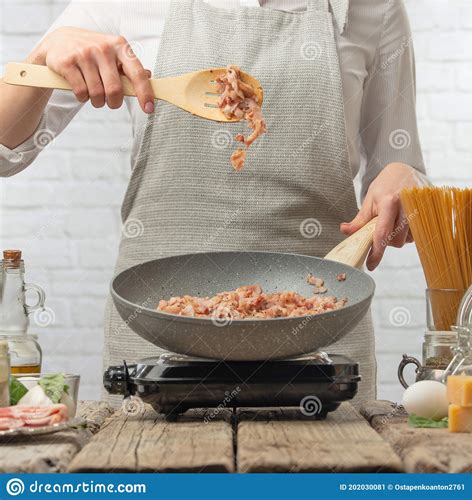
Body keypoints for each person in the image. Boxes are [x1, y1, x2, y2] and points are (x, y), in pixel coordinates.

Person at [0, 0, 428, 405]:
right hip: (155, 330)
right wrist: (41, 58)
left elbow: (401, 169)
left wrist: (407, 181)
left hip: (320, 336)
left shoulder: (376, 9)